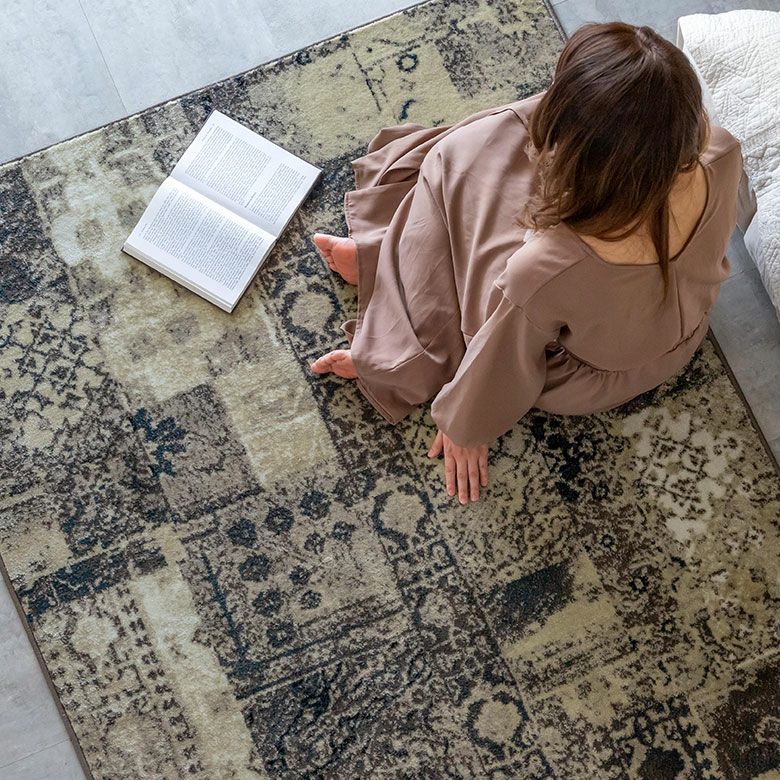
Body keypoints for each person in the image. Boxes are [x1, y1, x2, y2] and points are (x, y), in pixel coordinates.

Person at [308, 21, 744, 506]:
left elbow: (503, 359)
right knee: (500, 143)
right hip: (679, 330)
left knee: (454, 160)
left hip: (579, 377)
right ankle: (389, 252)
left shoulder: (548, 265)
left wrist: (467, 424)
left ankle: (390, 282)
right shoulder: (722, 150)